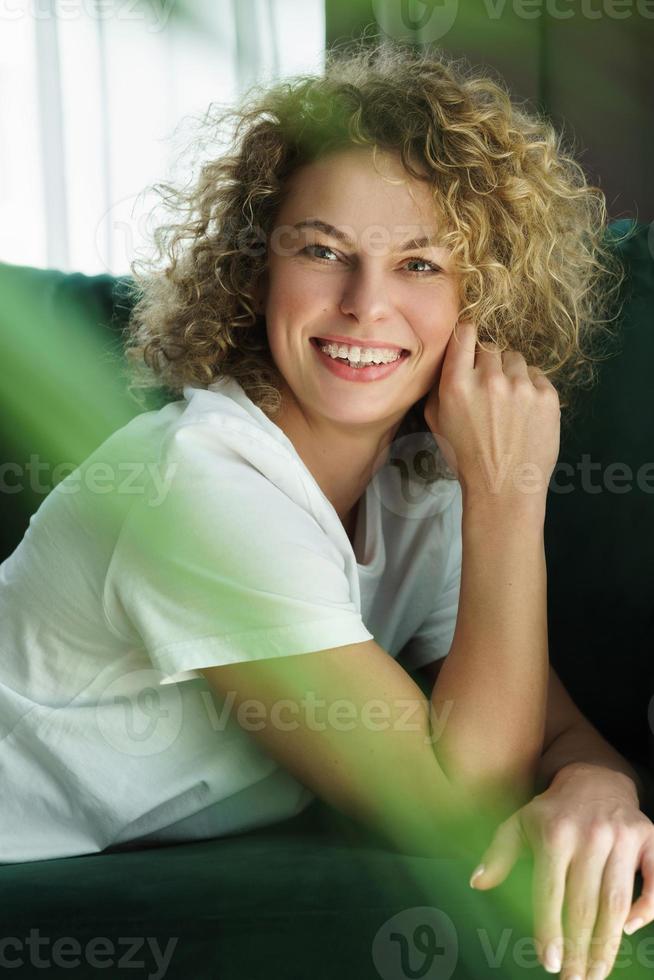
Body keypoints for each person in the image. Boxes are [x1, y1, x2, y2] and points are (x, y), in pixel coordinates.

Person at [1, 36, 652, 978]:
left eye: (421, 264)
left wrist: (598, 784)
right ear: (256, 269)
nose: (364, 304)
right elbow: (452, 798)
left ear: (486, 296)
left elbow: (541, 727)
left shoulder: (418, 487)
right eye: (321, 250)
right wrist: (509, 498)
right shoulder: (201, 483)